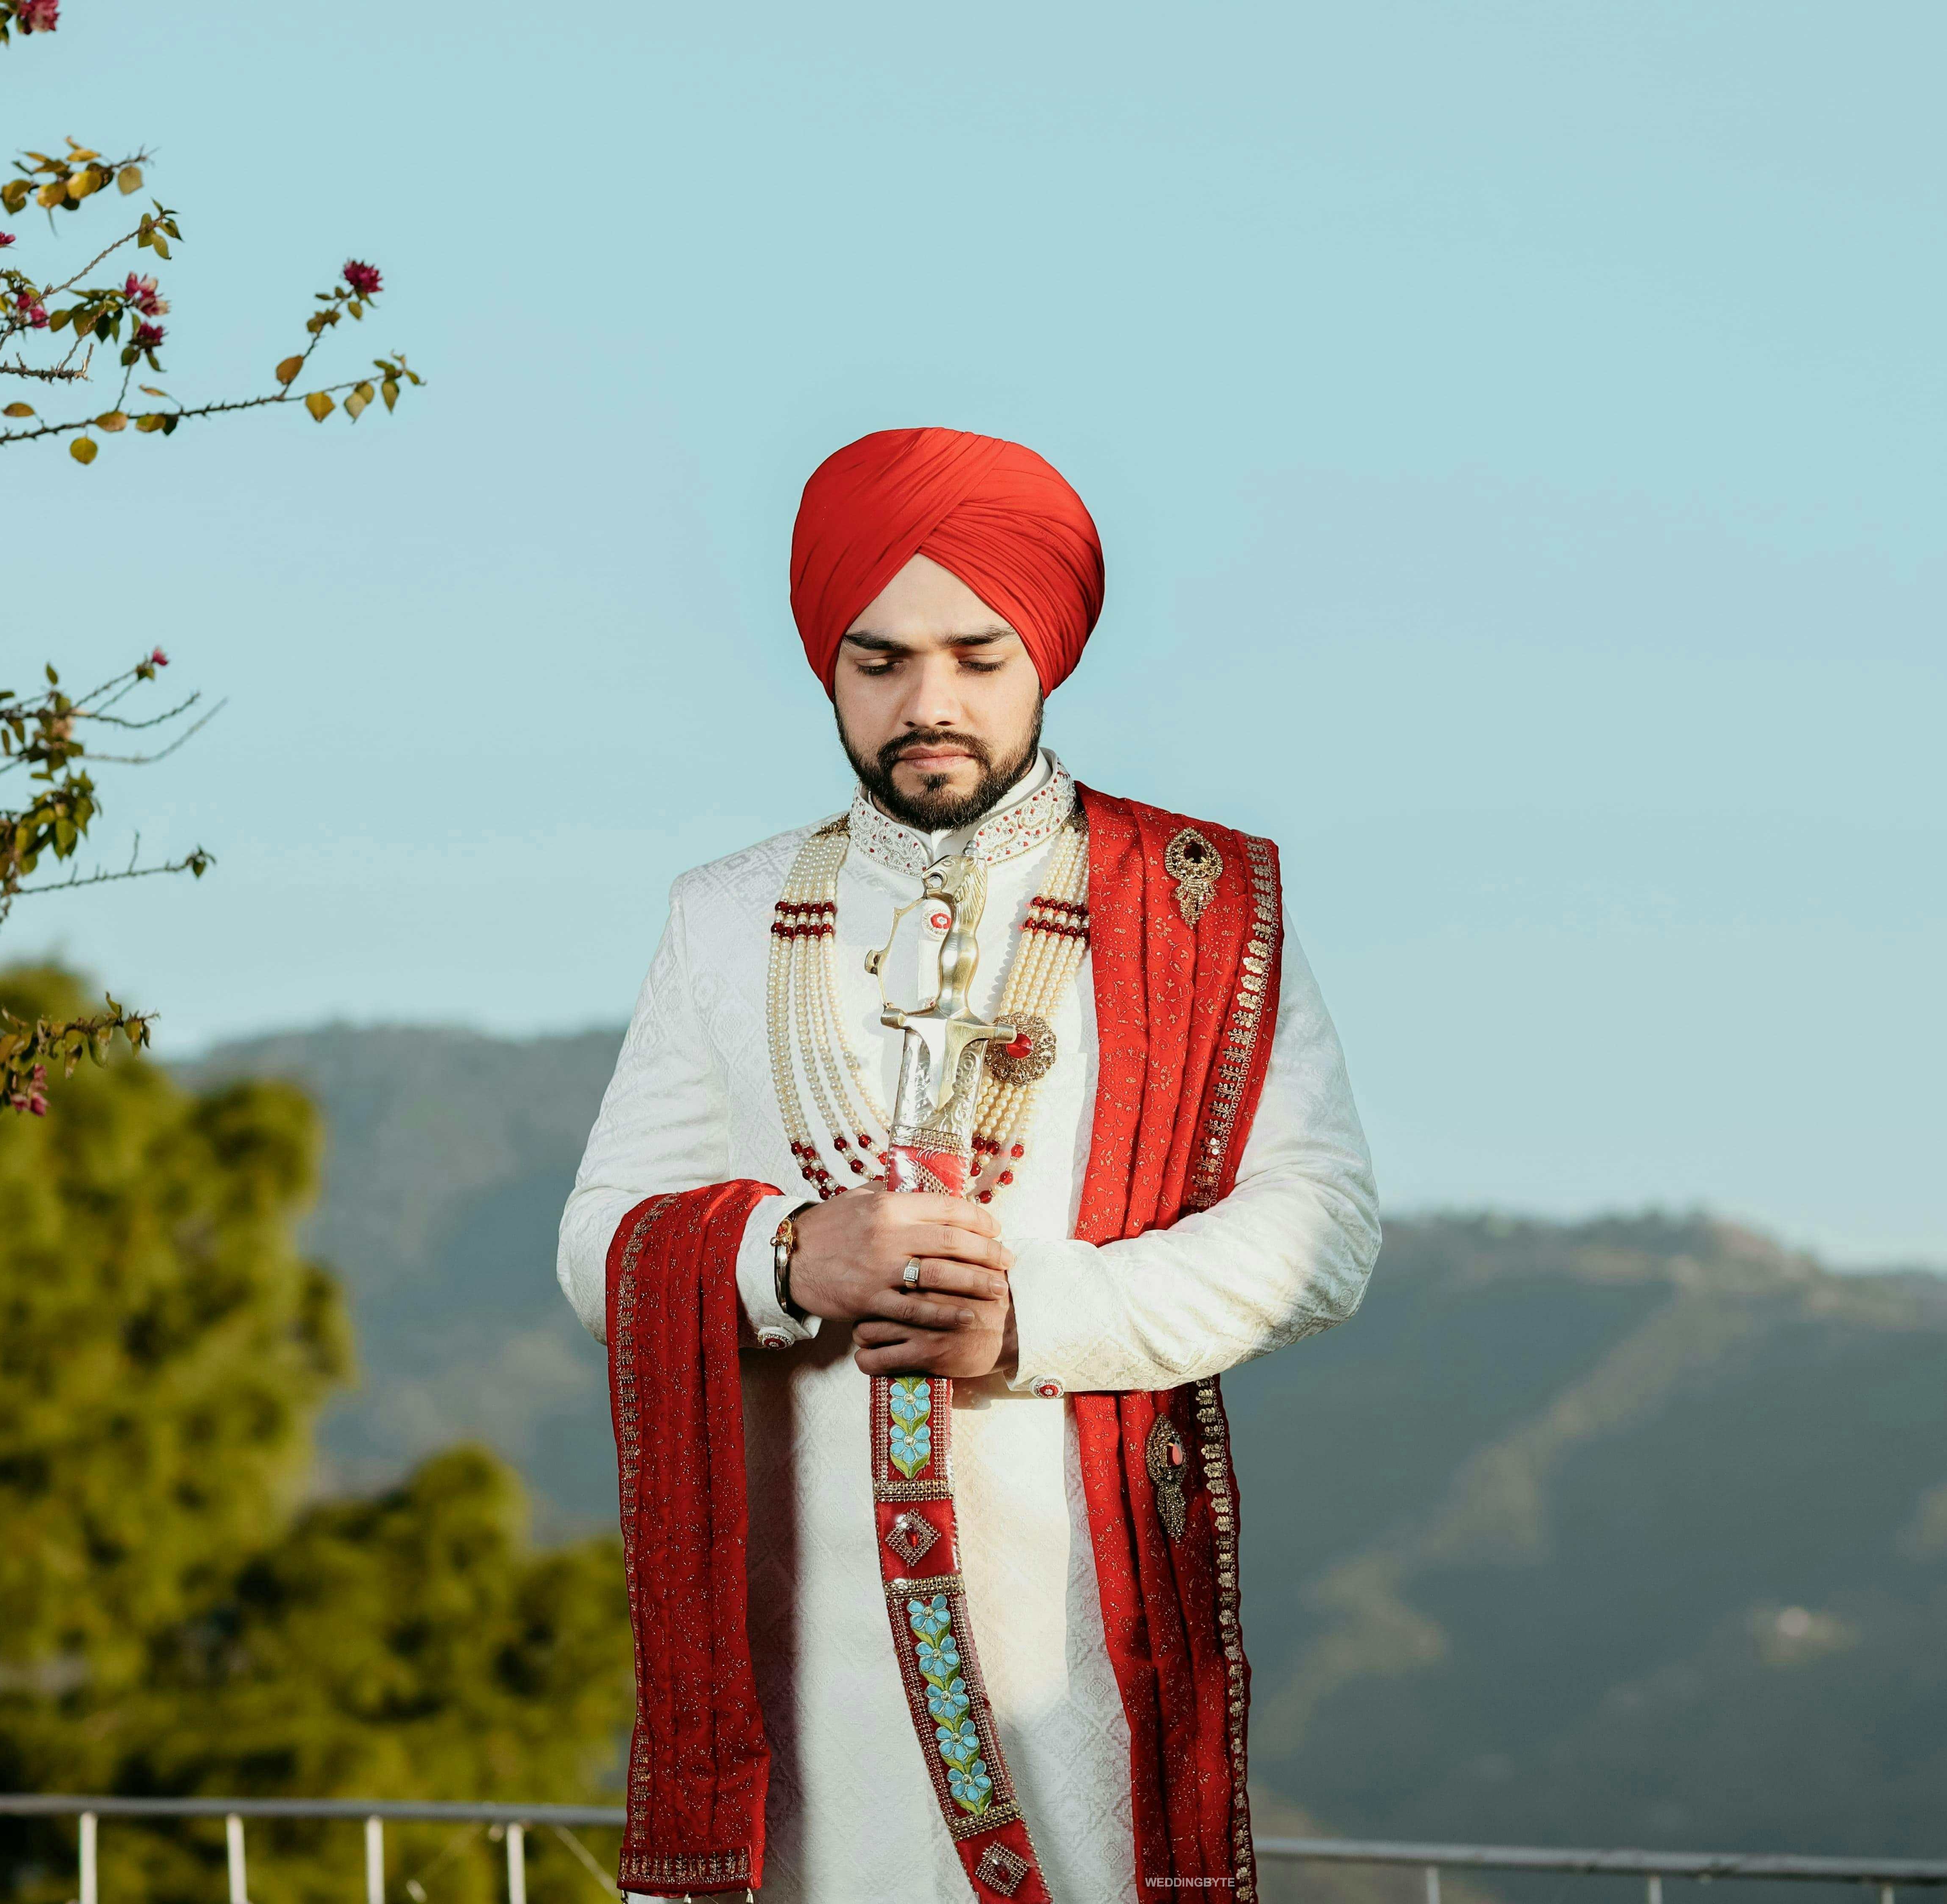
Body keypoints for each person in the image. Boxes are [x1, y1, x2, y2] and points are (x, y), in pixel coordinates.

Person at [557, 425, 1380, 1904]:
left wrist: (1030, 1319)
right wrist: (786, 1256)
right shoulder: (724, 916)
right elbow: (599, 1237)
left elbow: (1321, 1228)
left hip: (1081, 1646)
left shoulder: (1199, 903)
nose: (927, 703)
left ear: (1044, 655)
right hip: (797, 1673)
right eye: (879, 662)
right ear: (828, 666)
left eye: (976, 657)